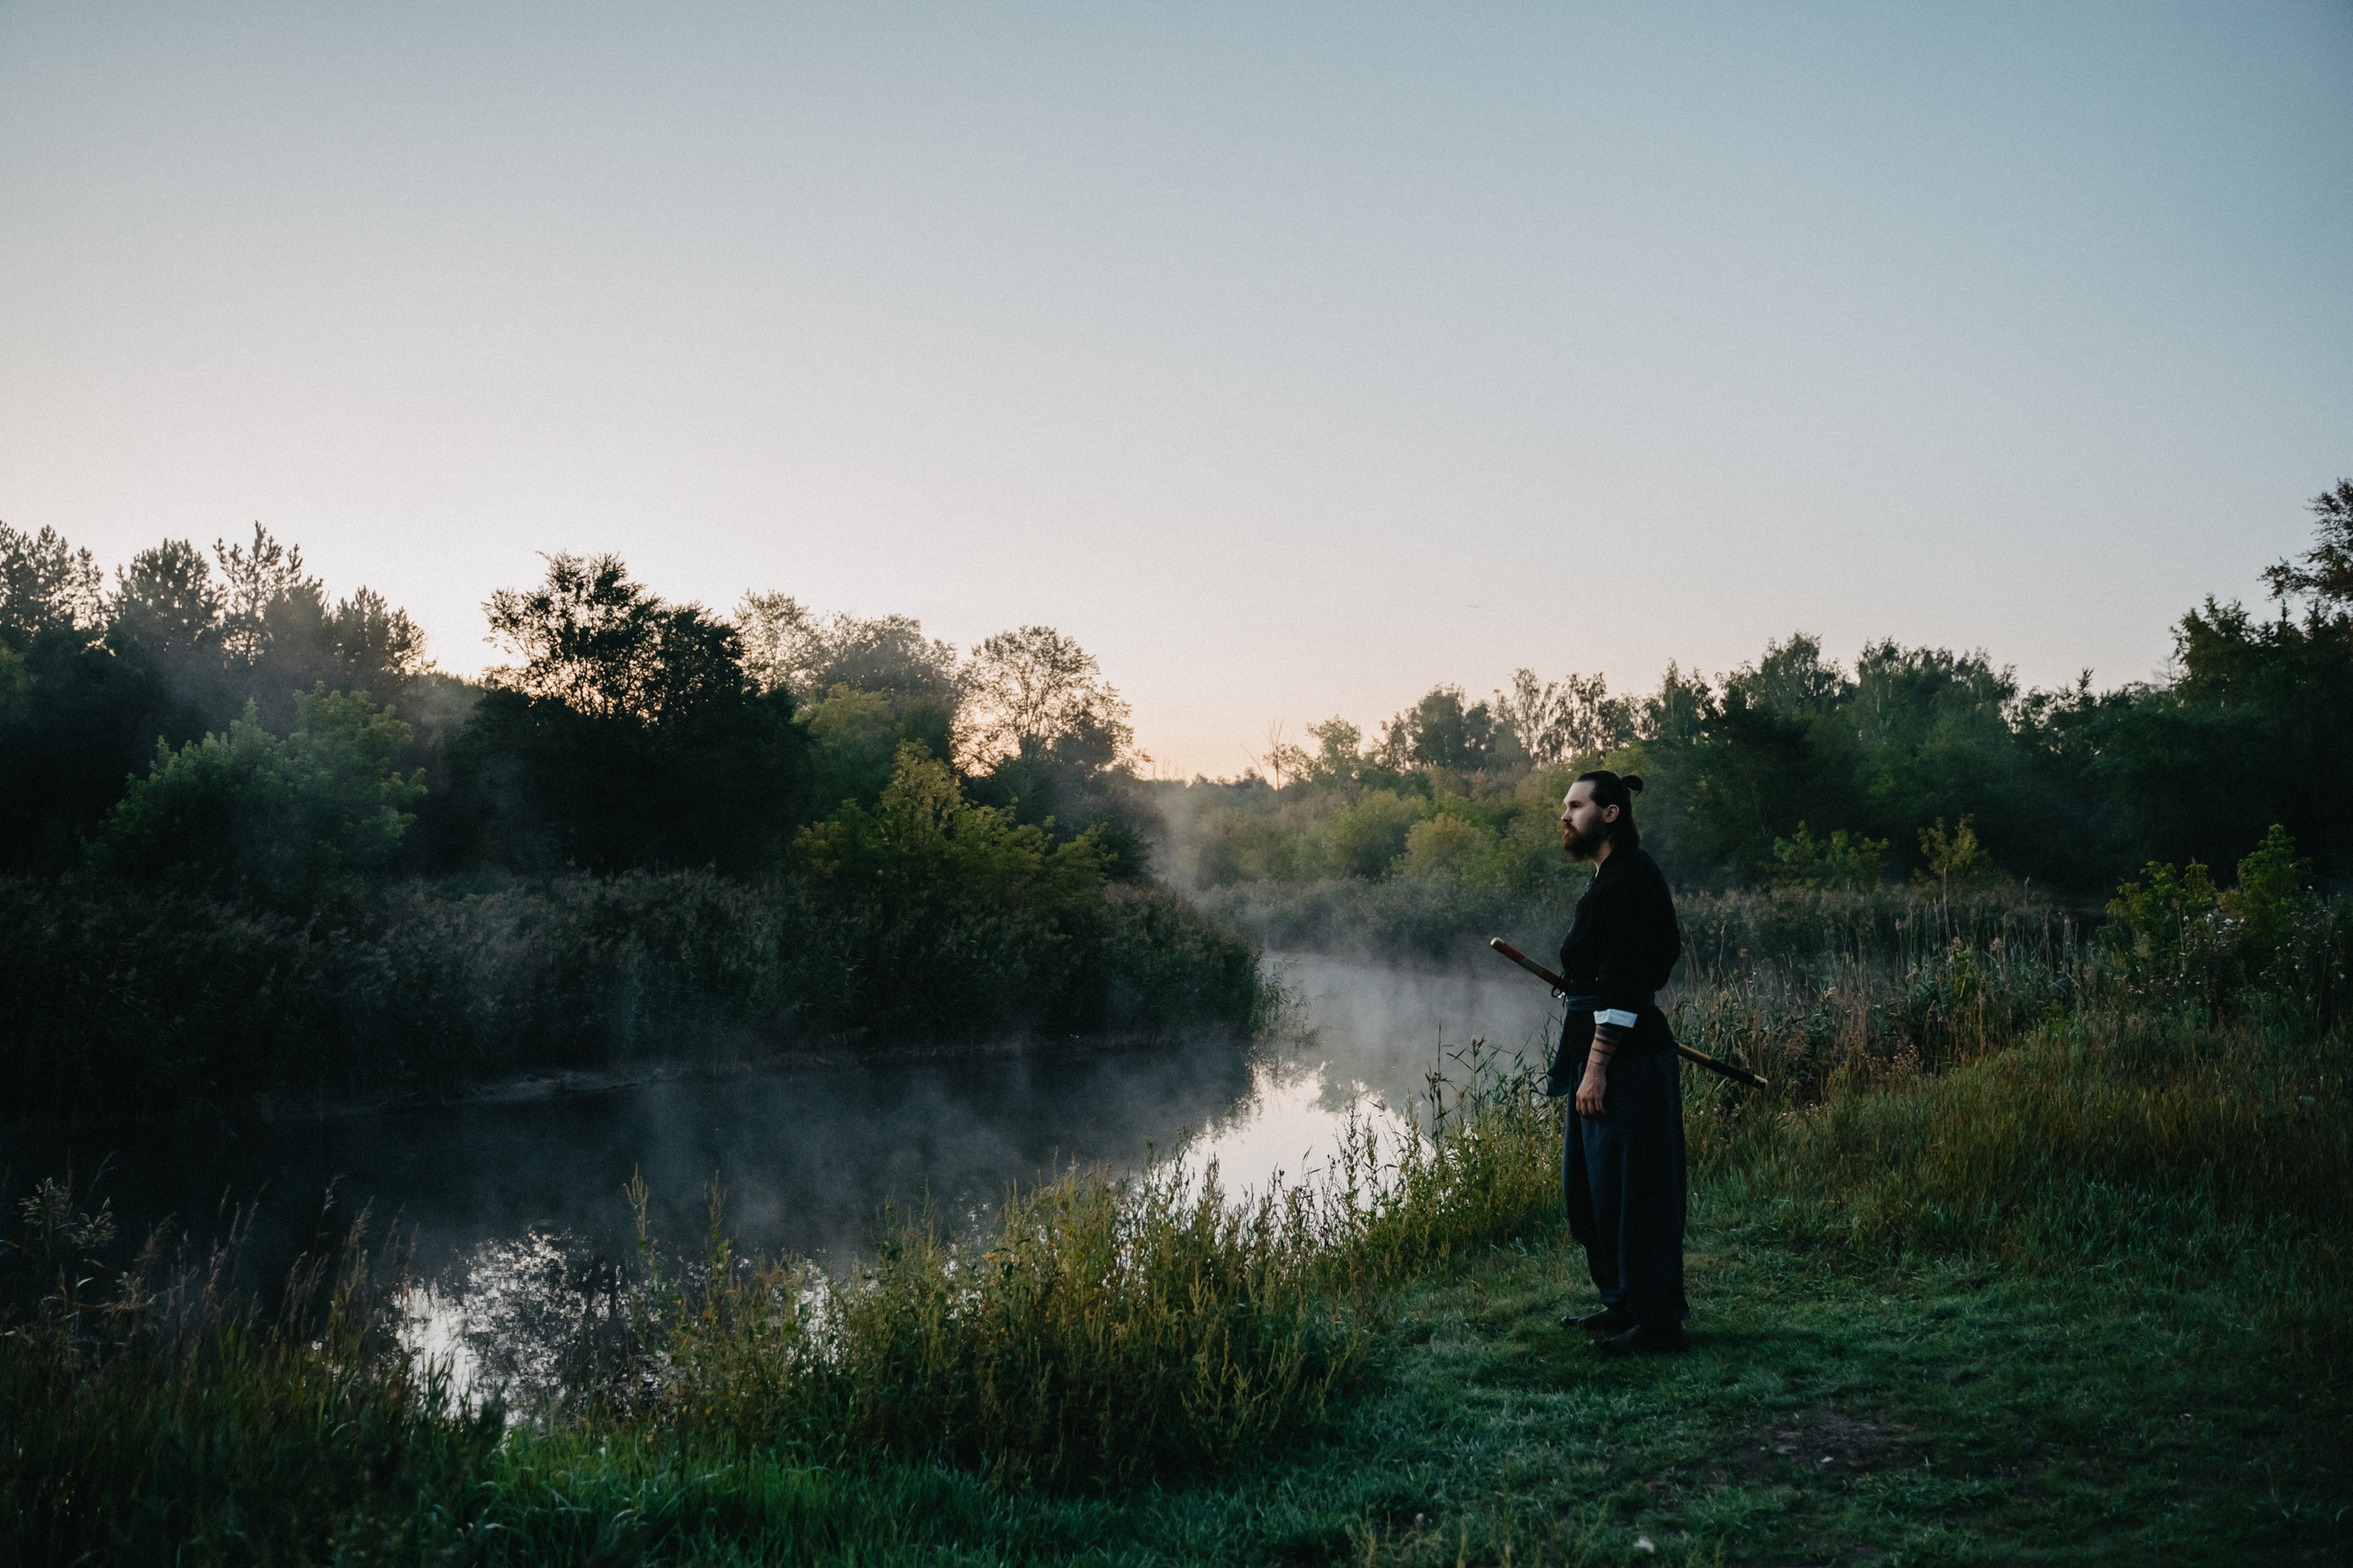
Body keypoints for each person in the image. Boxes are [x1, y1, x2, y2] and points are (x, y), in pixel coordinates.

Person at [1548, 769, 1689, 1356]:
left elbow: (1629, 979)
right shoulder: (1606, 878)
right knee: (1593, 1187)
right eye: (1566, 806)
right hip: (1602, 1046)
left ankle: (1657, 1322)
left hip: (1627, 1059)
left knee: (1640, 1192)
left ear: (1610, 814)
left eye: (1576, 806)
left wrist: (1598, 1064)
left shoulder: (1631, 879)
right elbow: (1600, 968)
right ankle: (1622, 1304)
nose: (1566, 815)